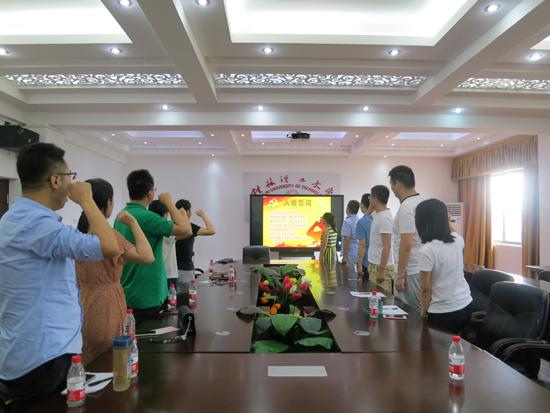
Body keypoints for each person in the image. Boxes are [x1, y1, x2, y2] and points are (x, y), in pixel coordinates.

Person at [0, 143, 119, 412]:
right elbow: (109, 246)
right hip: (43, 356)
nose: (72, 184)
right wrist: (87, 201)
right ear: (55, 180)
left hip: (31, 349)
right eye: (69, 177)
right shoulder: (36, 225)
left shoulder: (16, 219)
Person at [75, 178, 154, 366]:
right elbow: (147, 256)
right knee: (111, 358)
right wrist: (133, 223)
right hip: (107, 305)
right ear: (108, 202)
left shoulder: (77, 234)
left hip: (81, 303)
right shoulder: (110, 237)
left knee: (88, 361)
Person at [114, 170, 191, 325]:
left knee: (132, 335)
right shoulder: (148, 217)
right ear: (150, 193)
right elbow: (186, 229)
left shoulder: (121, 215)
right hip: (147, 294)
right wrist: (168, 202)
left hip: (127, 291)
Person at [417, 199, 473, 334]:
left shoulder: (427, 251)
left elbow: (425, 289)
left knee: (433, 345)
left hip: (443, 312)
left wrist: (424, 313)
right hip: (466, 305)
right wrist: (446, 218)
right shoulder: (457, 240)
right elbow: (454, 233)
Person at [389, 165, 425, 312]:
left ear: (398, 184)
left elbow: (406, 243)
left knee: (407, 315)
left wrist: (400, 274)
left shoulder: (407, 207)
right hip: (421, 267)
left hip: (409, 272)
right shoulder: (422, 202)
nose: (391, 189)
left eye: (391, 184)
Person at [174, 199, 216, 293]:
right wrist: (203, 215)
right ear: (187, 212)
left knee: (172, 297)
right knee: (187, 298)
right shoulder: (189, 227)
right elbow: (211, 230)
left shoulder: (171, 226)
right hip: (185, 270)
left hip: (170, 270)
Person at [366, 185, 394, 292]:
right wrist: (371, 200)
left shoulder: (384, 218)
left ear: (376, 199)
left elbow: (387, 246)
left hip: (381, 267)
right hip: (374, 265)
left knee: (382, 298)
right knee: (374, 298)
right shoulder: (377, 214)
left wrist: (382, 270)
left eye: (370, 197)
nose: (369, 200)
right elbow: (368, 213)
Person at [148, 200, 178, 292]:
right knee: (170, 300)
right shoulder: (166, 228)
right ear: (165, 214)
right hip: (168, 273)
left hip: (153, 272)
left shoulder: (148, 227)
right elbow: (186, 231)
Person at [356, 193, 373, 280]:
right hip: (381, 263)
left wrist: (359, 265)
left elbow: (362, 244)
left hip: (367, 263)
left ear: (362, 205)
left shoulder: (361, 222)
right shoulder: (381, 219)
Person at [341, 200, 360, 272]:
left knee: (350, 276)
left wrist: (344, 257)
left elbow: (347, 240)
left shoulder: (347, 222)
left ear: (347, 209)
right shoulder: (360, 221)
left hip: (350, 255)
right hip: (359, 254)